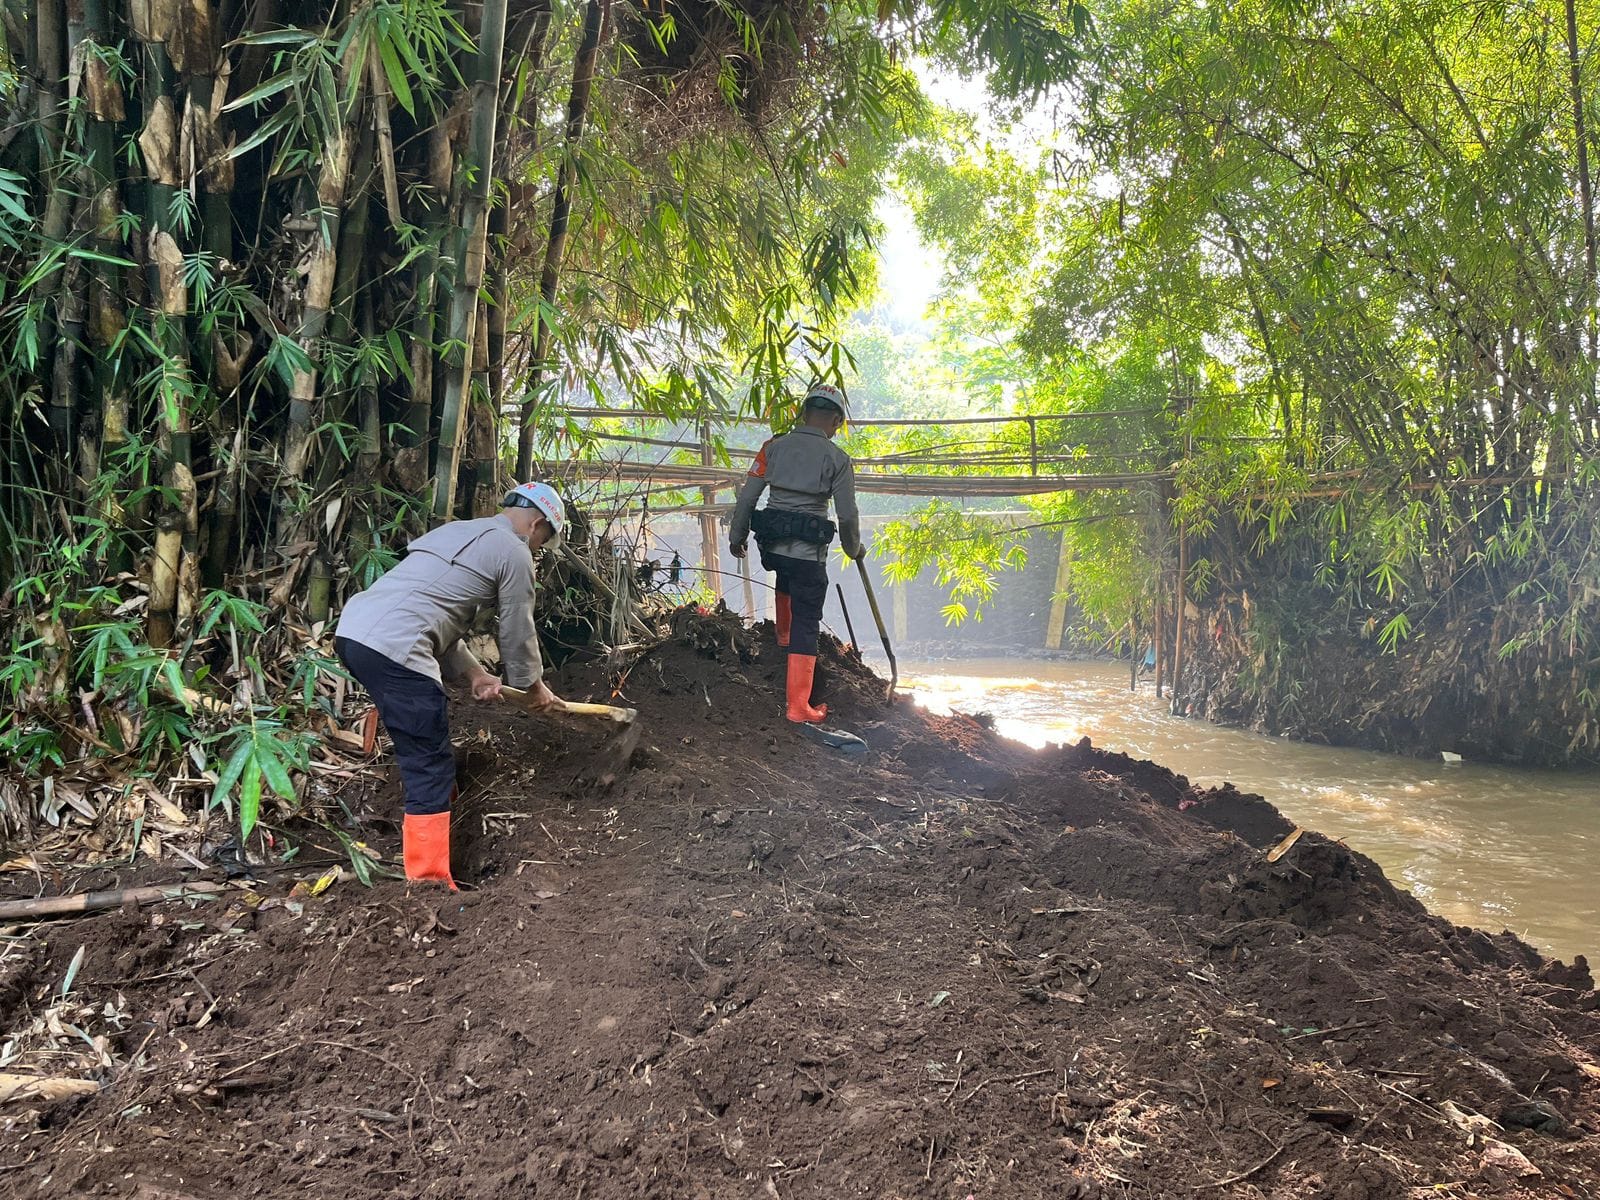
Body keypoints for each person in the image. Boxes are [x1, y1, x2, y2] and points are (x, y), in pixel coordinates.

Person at [333, 483, 568, 887]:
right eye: (543, 541)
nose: (538, 549)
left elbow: (435, 616)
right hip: (397, 646)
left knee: (424, 732)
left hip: (356, 634)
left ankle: (444, 809)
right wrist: (533, 688)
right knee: (427, 758)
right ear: (537, 524)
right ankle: (428, 879)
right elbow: (516, 630)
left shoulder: (457, 531)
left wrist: (476, 674)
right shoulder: (514, 551)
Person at [728, 383, 862, 724]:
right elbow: (846, 515)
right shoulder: (838, 459)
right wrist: (852, 548)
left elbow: (746, 499)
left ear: (803, 414)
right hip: (807, 557)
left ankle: (782, 636)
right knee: (808, 619)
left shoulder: (771, 447)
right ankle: (799, 707)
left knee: (785, 572)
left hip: (771, 549)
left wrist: (737, 536)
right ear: (834, 420)